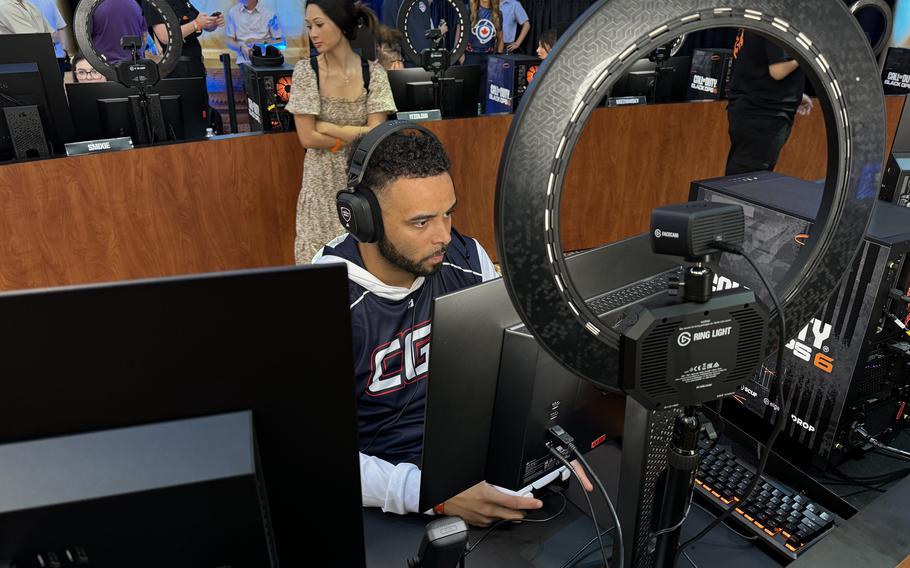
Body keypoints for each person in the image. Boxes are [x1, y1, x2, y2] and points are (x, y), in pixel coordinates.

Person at [313, 125, 593, 524]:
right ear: (364, 221)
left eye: (448, 213)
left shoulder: (465, 257)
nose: (443, 236)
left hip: (474, 465)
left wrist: (549, 439)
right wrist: (433, 496)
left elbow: (511, 364)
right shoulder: (325, 303)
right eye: (421, 222)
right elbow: (313, 456)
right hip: (391, 498)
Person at [285, 0, 397, 264]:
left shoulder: (374, 74)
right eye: (309, 26)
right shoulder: (306, 72)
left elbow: (376, 135)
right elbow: (307, 137)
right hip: (319, 186)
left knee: (367, 263)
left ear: (341, 24)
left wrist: (329, 127)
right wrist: (349, 137)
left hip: (364, 184)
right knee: (318, 266)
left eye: (320, 25)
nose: (313, 33)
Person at [725, 28, 813, 175]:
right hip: (764, 115)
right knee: (745, 183)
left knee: (740, 178)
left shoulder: (762, 12)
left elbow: (756, 62)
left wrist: (795, 95)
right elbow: (778, 70)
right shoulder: (780, 16)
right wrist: (808, 51)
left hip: (752, 109)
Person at [146, 0, 225, 78]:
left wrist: (212, 22)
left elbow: (201, 23)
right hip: (177, 68)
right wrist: (196, 24)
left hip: (196, 65)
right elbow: (165, 37)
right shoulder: (155, 2)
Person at [460, 0, 503, 107]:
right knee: (469, 92)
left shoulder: (497, 13)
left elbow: (501, 38)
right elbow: (460, 32)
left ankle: (483, 118)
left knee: (486, 93)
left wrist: (499, 58)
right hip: (470, 56)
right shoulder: (468, 9)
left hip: (489, 58)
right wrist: (460, 53)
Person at [225, 0, 285, 66]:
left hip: (267, 60)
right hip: (244, 61)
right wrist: (241, 47)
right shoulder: (233, 12)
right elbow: (229, 41)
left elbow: (281, 43)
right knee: (250, 73)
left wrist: (258, 42)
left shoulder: (269, 13)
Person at [29, 0, 71, 74]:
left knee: (57, 84)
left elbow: (61, 28)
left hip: (57, 56)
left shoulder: (50, 2)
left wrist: (64, 50)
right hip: (35, 57)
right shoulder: (18, 5)